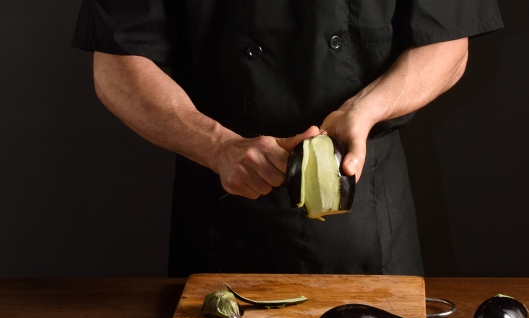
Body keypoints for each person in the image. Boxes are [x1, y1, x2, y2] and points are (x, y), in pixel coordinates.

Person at [72, 1, 503, 277]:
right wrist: (217, 146)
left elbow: (447, 43)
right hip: (222, 204)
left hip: (365, 208)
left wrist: (365, 109)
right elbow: (115, 63)